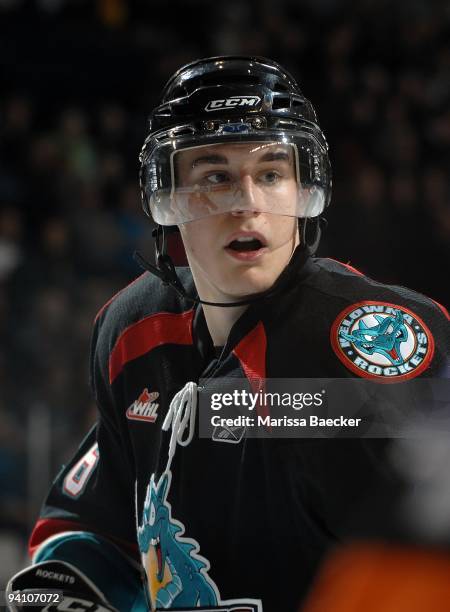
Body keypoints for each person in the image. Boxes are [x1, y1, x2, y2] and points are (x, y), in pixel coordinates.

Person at [7, 56, 449, 612]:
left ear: (302, 188)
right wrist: (72, 579)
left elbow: (426, 558)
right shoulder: (133, 331)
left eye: (270, 173)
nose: (248, 202)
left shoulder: (367, 342)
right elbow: (103, 522)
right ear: (164, 196)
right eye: (215, 177)